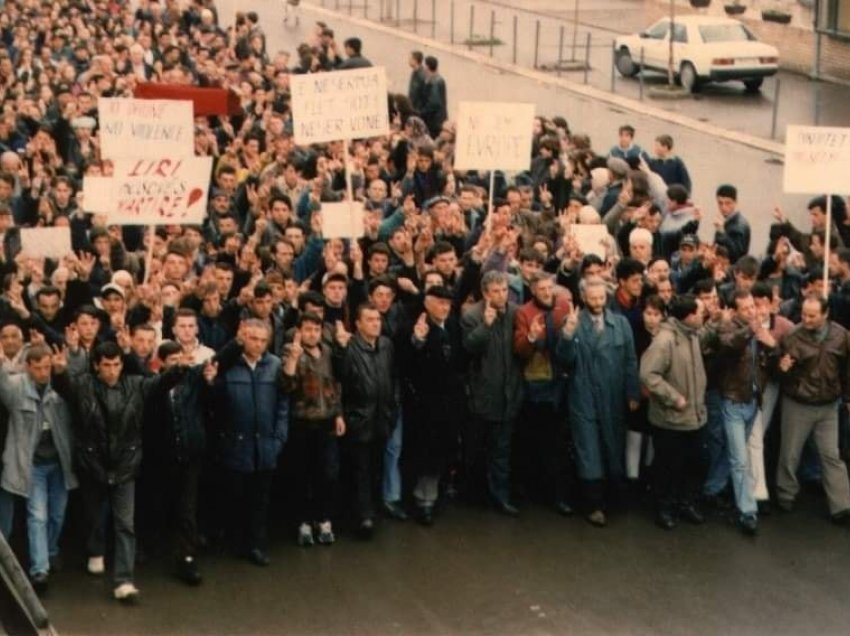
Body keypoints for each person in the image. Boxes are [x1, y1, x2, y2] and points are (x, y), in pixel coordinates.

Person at [52, 341, 190, 603]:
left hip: (126, 464)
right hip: (93, 464)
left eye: (116, 365)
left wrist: (178, 370)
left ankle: (124, 581)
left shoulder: (136, 384)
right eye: (106, 365)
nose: (112, 371)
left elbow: (160, 384)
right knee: (94, 516)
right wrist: (59, 372)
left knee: (125, 524)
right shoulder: (83, 385)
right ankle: (95, 550)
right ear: (96, 366)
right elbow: (65, 388)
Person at [557, 278, 640, 526]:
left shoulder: (621, 324)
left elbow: (630, 361)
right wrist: (568, 334)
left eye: (601, 298)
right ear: (583, 298)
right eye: (592, 298)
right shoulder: (572, 324)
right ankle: (593, 505)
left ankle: (612, 498)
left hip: (613, 397)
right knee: (589, 451)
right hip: (583, 397)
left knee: (612, 447)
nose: (597, 303)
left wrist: (632, 392)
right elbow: (564, 360)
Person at [0, 344, 76, 594]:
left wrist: (65, 367)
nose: (44, 372)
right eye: (38, 368)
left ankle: (51, 550)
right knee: (38, 516)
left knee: (57, 515)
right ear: (28, 367)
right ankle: (39, 569)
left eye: (47, 367)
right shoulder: (16, 387)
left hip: (59, 463)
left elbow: (77, 394)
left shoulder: (60, 387)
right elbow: (2, 381)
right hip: (32, 465)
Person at [213, 320, 289, 566]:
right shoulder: (229, 366)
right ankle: (236, 541)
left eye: (262, 340)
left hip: (265, 445)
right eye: (253, 339)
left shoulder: (275, 365)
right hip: (236, 443)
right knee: (236, 496)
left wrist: (279, 438)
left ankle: (256, 545)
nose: (257, 344)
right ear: (243, 338)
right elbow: (214, 400)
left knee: (260, 500)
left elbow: (282, 405)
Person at [706, 290, 776, 536]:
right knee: (739, 459)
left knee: (732, 453)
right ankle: (747, 511)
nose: (751, 311)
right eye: (745, 308)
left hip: (752, 401)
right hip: (733, 401)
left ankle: (711, 488)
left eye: (752, 306)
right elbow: (730, 345)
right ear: (736, 311)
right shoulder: (729, 328)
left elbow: (771, 359)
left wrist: (772, 346)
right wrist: (752, 329)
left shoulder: (758, 329)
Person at [775, 295, 850, 522]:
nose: (805, 319)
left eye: (812, 316)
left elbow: (847, 369)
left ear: (825, 314)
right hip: (798, 403)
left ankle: (842, 506)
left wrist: (847, 396)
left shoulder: (841, 336)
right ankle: (785, 495)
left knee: (831, 456)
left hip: (828, 405)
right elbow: (775, 370)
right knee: (790, 454)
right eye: (804, 314)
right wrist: (781, 367)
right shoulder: (792, 336)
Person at [640, 294, 707, 530]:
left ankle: (685, 503)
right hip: (671, 419)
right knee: (668, 466)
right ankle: (664, 507)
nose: (703, 316)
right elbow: (648, 375)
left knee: (692, 464)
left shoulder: (693, 335)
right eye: (699, 312)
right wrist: (674, 397)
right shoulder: (665, 341)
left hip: (694, 417)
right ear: (688, 316)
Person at [461, 271, 524, 515]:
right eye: (496, 291)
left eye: (504, 290)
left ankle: (500, 496)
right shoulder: (471, 315)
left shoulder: (516, 313)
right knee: (476, 448)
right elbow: (469, 348)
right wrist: (485, 326)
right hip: (482, 394)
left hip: (509, 393)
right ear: (486, 293)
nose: (502, 295)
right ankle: (473, 494)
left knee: (502, 450)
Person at [281, 313, 345, 547]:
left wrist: (338, 413)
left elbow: (335, 385)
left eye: (316, 330)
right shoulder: (291, 351)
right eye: (307, 329)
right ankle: (303, 522)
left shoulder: (327, 352)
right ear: (299, 331)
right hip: (301, 422)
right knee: (301, 475)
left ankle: (323, 519)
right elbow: (286, 385)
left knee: (327, 473)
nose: (312, 334)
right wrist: (292, 361)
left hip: (326, 421)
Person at [333, 303, 397, 537]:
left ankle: (372, 510)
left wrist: (392, 411)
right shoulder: (349, 347)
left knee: (376, 467)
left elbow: (392, 378)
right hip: (359, 418)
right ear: (358, 324)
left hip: (382, 417)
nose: (375, 324)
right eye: (369, 320)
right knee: (359, 470)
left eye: (377, 319)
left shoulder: (387, 346)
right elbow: (339, 381)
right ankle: (362, 516)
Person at [406, 286, 466, 525]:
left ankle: (437, 494)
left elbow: (460, 360)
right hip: (427, 404)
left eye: (447, 304)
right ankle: (424, 501)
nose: (444, 307)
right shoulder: (417, 327)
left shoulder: (451, 326)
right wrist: (417, 341)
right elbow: (409, 363)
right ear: (427, 303)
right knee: (428, 455)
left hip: (451, 401)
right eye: (439, 303)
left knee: (445, 451)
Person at [713, 184, 750, 264]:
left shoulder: (739, 225)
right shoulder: (726, 221)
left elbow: (736, 254)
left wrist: (721, 232)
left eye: (728, 203)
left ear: (735, 202)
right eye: (720, 203)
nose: (723, 207)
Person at [421, 56, 448, 138]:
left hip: (434, 121)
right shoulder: (437, 79)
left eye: (424, 65)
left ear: (427, 67)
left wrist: (422, 112)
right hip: (439, 119)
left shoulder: (435, 82)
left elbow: (434, 103)